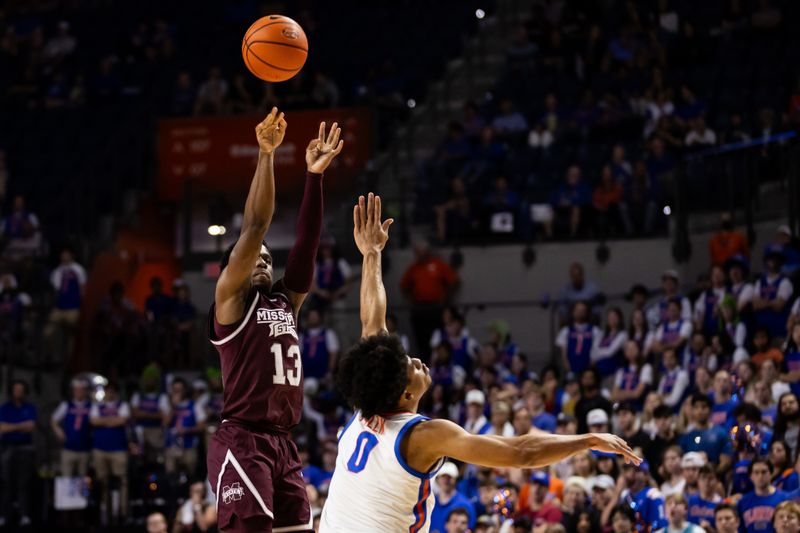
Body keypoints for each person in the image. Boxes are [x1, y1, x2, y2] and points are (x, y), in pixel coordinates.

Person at [319, 193, 640, 532]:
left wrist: (371, 254)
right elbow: (521, 453)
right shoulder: (424, 435)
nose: (416, 361)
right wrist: (587, 441)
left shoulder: (365, 404)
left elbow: (372, 322)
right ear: (405, 396)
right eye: (409, 368)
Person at [206, 109, 342, 532]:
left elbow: (306, 245)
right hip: (244, 438)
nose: (265, 260)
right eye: (256, 257)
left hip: (284, 442)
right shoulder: (230, 301)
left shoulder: (286, 302)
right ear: (238, 265)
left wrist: (314, 177)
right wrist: (266, 155)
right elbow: (256, 224)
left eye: (269, 257)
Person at [90, 383, 131, 521]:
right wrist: (112, 421)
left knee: (122, 481)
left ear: (116, 393)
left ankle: (122, 512)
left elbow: (122, 421)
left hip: (118, 449)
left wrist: (104, 421)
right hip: (100, 449)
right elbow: (93, 421)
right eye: (107, 391)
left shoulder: (123, 406)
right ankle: (105, 512)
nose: (110, 394)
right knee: (102, 481)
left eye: (112, 391)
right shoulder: (97, 406)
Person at [0, 380, 36, 528]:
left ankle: (24, 515)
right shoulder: (5, 408)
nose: (18, 392)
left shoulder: (30, 407)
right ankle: (4, 515)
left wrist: (11, 427)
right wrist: (20, 425)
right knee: (5, 482)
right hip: (7, 447)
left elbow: (30, 427)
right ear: (12, 391)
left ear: (25, 392)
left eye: (21, 389)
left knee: (23, 484)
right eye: (15, 389)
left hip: (25, 448)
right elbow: (2, 428)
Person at [44, 247, 87, 365]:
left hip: (73, 307)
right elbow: (56, 290)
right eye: (62, 254)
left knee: (70, 337)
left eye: (66, 254)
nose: (64, 256)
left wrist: (81, 307)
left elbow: (83, 288)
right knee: (48, 332)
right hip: (59, 307)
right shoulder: (57, 271)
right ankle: (52, 357)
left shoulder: (78, 269)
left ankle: (67, 363)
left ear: (72, 255)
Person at [679, 394, 732, 474]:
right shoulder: (686, 437)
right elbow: (681, 461)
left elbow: (726, 461)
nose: (700, 411)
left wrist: (711, 475)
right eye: (696, 407)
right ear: (692, 411)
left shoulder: (721, 433)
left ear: (710, 410)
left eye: (703, 407)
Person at [51, 377, 92, 476]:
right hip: (68, 448)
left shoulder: (91, 406)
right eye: (77, 390)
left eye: (82, 390)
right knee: (66, 477)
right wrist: (59, 432)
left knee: (82, 479)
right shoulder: (66, 405)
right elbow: (54, 420)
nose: (79, 392)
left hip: (85, 448)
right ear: (73, 391)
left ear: (86, 391)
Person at [166, 378, 206, 476]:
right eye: (174, 390)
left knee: (190, 473)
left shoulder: (194, 405)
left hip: (189, 445)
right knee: (171, 474)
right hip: (172, 446)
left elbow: (202, 426)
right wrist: (173, 407)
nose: (177, 392)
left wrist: (187, 430)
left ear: (185, 390)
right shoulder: (169, 405)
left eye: (179, 390)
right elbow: (165, 423)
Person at [753, 245, 794, 339]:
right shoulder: (760, 282)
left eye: (776, 259)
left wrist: (763, 302)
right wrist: (771, 302)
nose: (773, 262)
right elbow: (755, 305)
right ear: (766, 260)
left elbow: (779, 305)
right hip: (761, 333)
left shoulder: (785, 282)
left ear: (781, 261)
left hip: (779, 332)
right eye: (771, 258)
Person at [738, 458, 787, 533]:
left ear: (771, 474)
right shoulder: (743, 501)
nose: (760, 476)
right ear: (751, 476)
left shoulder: (784, 498)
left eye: (764, 472)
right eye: (756, 472)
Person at [556, 301, 601, 375]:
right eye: (578, 310)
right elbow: (563, 351)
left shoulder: (595, 330)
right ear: (573, 312)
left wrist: (592, 365)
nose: (580, 312)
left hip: (588, 368)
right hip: (571, 367)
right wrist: (566, 364)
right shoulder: (566, 330)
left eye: (583, 310)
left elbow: (597, 350)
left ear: (587, 312)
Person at [430, 462, 476, 532]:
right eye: (443, 476)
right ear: (437, 479)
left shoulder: (465, 504)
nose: (446, 480)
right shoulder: (431, 502)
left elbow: (470, 529)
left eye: (449, 477)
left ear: (456, 479)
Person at [299, 308, 340, 381]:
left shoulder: (328, 334)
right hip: (305, 375)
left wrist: (330, 371)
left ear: (320, 318)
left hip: (323, 375)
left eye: (315, 316)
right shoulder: (302, 336)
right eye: (311, 316)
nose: (313, 318)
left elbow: (334, 353)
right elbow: (298, 355)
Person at [687, 464, 721, 529]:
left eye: (710, 478)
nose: (706, 481)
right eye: (703, 477)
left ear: (717, 481)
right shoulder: (690, 501)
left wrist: (709, 529)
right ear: (698, 481)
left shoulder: (721, 504)